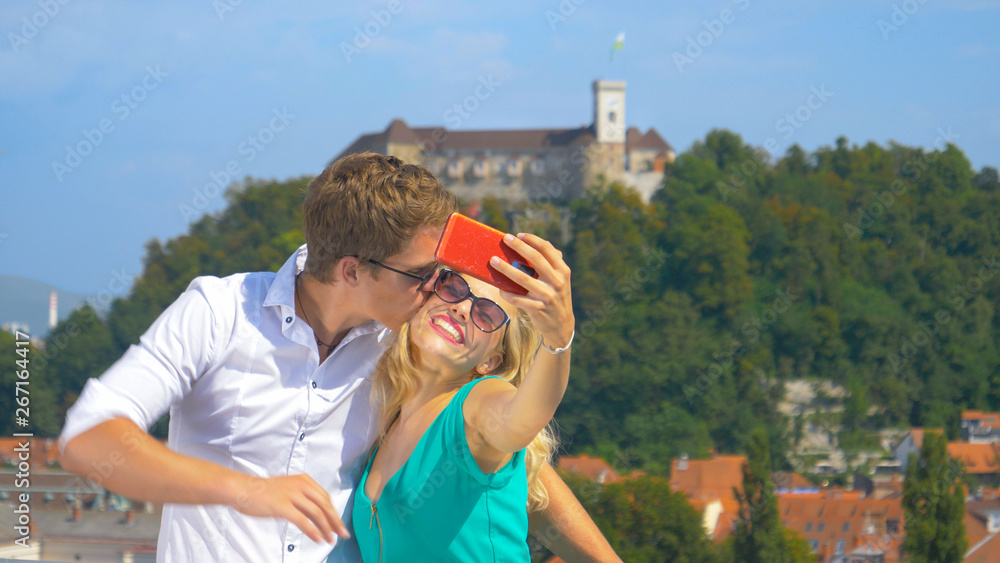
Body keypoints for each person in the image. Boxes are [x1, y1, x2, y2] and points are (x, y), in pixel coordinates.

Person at [59, 152, 620, 562]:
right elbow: (90, 439)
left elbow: (517, 451)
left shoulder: (406, 344)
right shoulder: (219, 312)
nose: (438, 293)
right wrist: (244, 490)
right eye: (428, 277)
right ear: (352, 270)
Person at [352, 231, 573, 561]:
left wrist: (558, 337)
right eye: (454, 288)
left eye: (487, 315)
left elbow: (522, 420)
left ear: (491, 361)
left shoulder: (477, 403)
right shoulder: (384, 421)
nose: (462, 310)